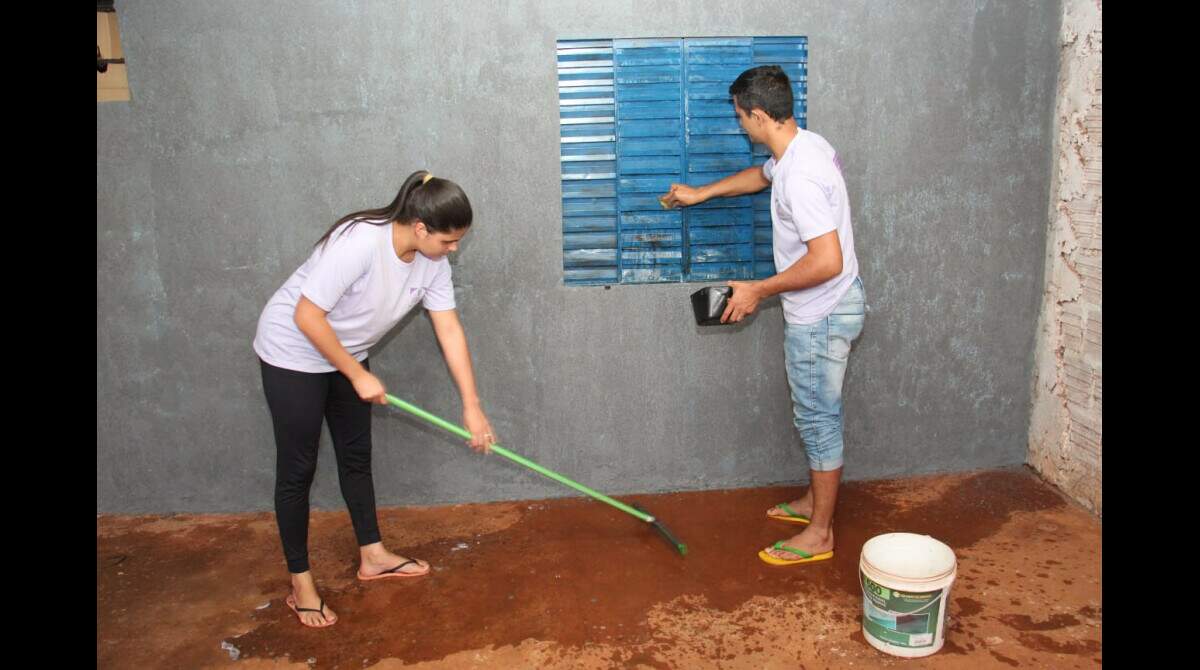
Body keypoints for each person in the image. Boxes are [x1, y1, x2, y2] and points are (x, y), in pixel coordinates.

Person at [253, 170, 497, 626]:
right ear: (420, 227)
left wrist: (472, 405)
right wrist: (355, 374)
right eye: (449, 240)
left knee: (356, 455)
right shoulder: (360, 242)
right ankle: (300, 583)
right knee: (297, 469)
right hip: (293, 351)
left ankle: (373, 555)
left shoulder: (433, 262)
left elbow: (449, 328)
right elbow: (307, 315)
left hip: (345, 354)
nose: (454, 250)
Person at [661, 65, 866, 566]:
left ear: (758, 114)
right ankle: (814, 503)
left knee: (818, 420)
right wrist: (702, 192)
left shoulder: (802, 175)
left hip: (822, 312)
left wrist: (758, 290)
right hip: (832, 304)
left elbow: (826, 260)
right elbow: (760, 175)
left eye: (740, 117)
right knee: (813, 413)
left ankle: (820, 533)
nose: (739, 126)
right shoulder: (802, 147)